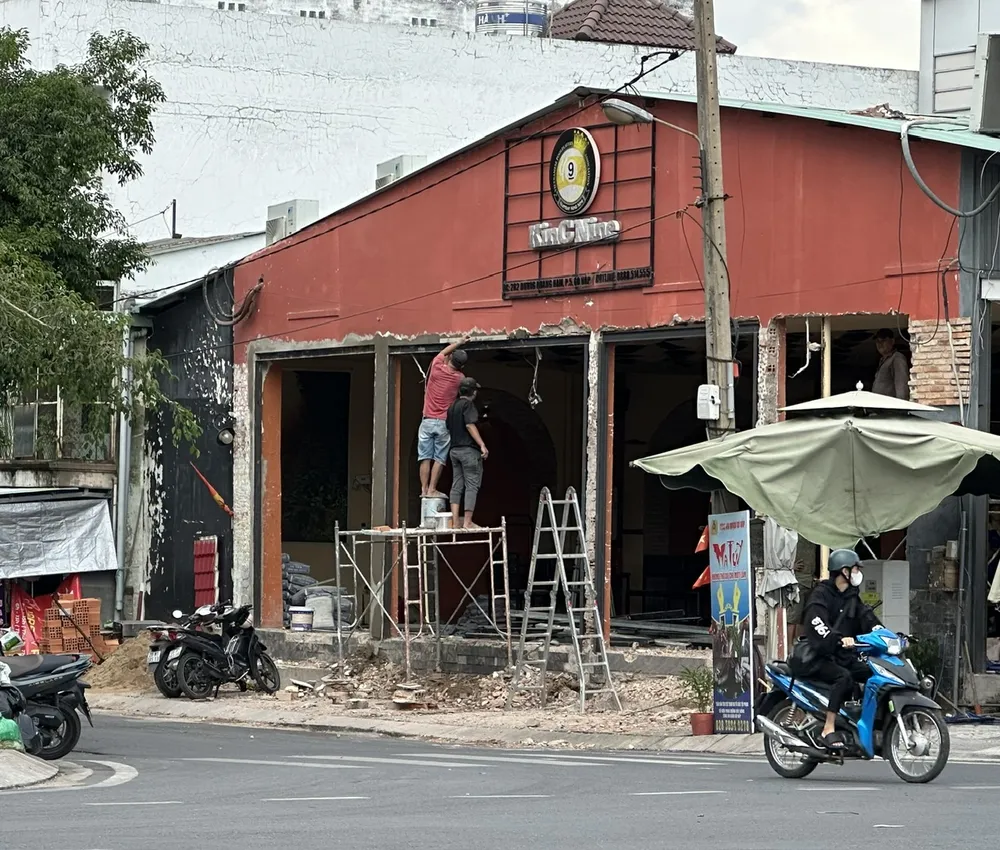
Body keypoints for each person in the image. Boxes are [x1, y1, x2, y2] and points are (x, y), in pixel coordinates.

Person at [796, 548, 881, 751]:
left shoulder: (852, 596)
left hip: (842, 655)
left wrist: (883, 633)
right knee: (843, 677)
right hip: (818, 656)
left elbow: (867, 618)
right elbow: (817, 624)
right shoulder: (820, 595)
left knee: (873, 672)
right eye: (855, 569)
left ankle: (860, 720)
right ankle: (828, 727)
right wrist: (839, 640)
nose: (858, 573)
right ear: (844, 571)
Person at [418, 336, 470, 499]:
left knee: (425, 457)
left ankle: (424, 489)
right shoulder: (459, 378)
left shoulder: (436, 367)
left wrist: (459, 342)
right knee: (439, 458)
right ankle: (433, 488)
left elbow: (443, 353)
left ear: (449, 359)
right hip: (442, 423)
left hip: (427, 421)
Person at [446, 376, 488, 529]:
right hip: (468, 451)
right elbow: (470, 425)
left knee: (457, 484)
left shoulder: (452, 407)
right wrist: (482, 444)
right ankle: (468, 522)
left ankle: (456, 522)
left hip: (454, 450)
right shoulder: (468, 405)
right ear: (473, 392)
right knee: (472, 485)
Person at [872, 328, 909, 400]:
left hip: (890, 408)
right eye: (877, 341)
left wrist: (901, 406)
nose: (880, 344)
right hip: (882, 407)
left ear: (892, 341)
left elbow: (901, 385)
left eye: (883, 340)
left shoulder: (897, 358)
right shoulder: (883, 360)